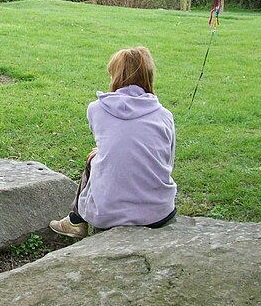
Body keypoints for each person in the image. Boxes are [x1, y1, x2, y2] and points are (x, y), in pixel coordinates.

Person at [50, 46, 177, 239]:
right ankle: (76, 220)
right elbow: (167, 161)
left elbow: (111, 143)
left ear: (116, 77)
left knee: (95, 157)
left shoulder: (96, 109)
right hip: (159, 212)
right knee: (101, 155)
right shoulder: (164, 115)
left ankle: (76, 221)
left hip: (108, 214)